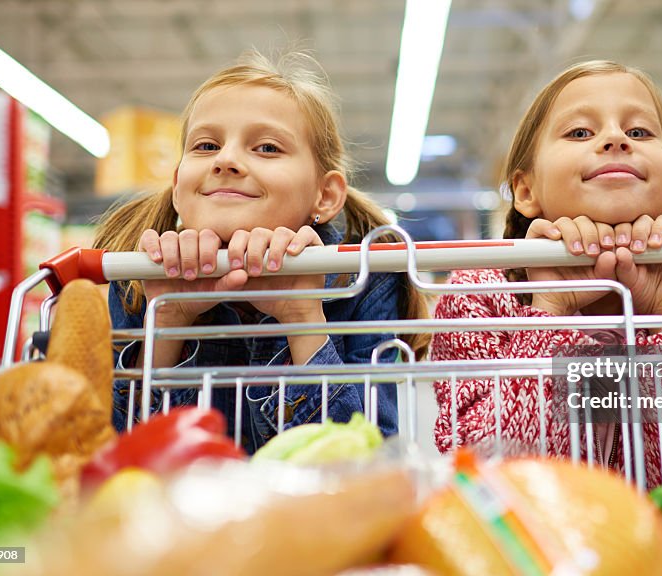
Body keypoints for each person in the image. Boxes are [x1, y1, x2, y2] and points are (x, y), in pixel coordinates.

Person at [430, 60, 662, 492]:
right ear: (526, 191)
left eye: (639, 132)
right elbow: (483, 481)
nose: (615, 139)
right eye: (580, 132)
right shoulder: (478, 298)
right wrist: (551, 315)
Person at [93, 49, 428, 453]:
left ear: (325, 195)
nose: (226, 159)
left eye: (267, 148)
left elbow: (370, 459)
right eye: (205, 145)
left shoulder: (366, 280)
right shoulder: (140, 279)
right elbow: (117, 462)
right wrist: (169, 326)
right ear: (179, 186)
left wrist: (303, 317)